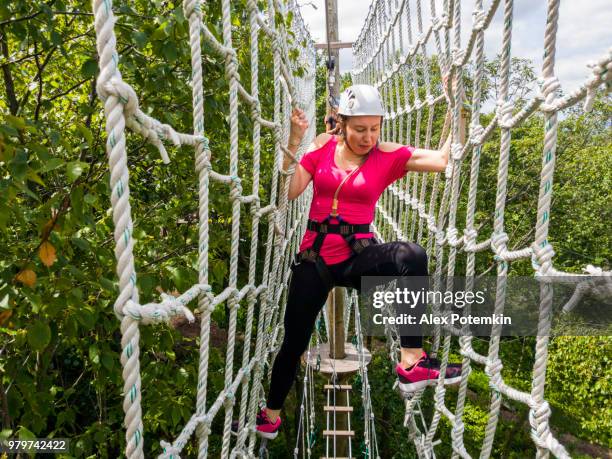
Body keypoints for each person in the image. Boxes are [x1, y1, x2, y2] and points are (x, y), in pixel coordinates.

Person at [250, 83, 466, 439]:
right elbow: (286, 193)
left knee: (411, 255)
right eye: (360, 129)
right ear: (343, 124)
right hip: (314, 258)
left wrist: (458, 110)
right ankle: (271, 414)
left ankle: (412, 361)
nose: (368, 137)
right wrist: (293, 141)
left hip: (358, 258)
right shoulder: (321, 149)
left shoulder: (388, 155)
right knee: (294, 341)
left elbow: (443, 160)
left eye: (375, 128)